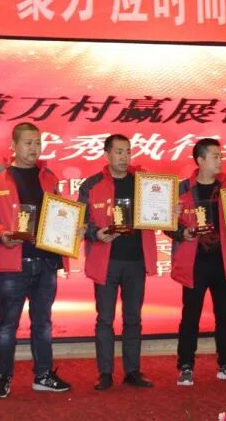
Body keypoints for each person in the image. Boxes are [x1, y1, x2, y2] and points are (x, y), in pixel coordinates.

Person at [0, 122, 72, 398]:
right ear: (13, 146)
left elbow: (59, 214)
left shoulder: (48, 177)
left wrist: (70, 229)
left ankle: (43, 375)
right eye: (28, 143)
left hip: (47, 261)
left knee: (43, 323)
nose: (34, 148)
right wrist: (1, 234)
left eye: (38, 143)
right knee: (7, 325)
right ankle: (2, 378)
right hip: (12, 264)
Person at [77, 134, 157, 390]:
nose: (124, 157)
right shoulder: (91, 184)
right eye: (119, 152)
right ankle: (105, 373)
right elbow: (81, 221)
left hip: (136, 260)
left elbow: (159, 212)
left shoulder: (144, 182)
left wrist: (170, 212)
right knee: (105, 319)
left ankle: (132, 371)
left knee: (133, 318)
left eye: (128, 152)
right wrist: (95, 233)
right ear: (107, 155)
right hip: (106, 261)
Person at [166, 138, 226, 386]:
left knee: (225, 315)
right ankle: (186, 365)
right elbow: (166, 223)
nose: (220, 160)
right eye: (215, 156)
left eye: (221, 156)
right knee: (190, 316)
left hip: (223, 262)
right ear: (200, 160)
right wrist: (181, 232)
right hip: (194, 263)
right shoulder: (181, 189)